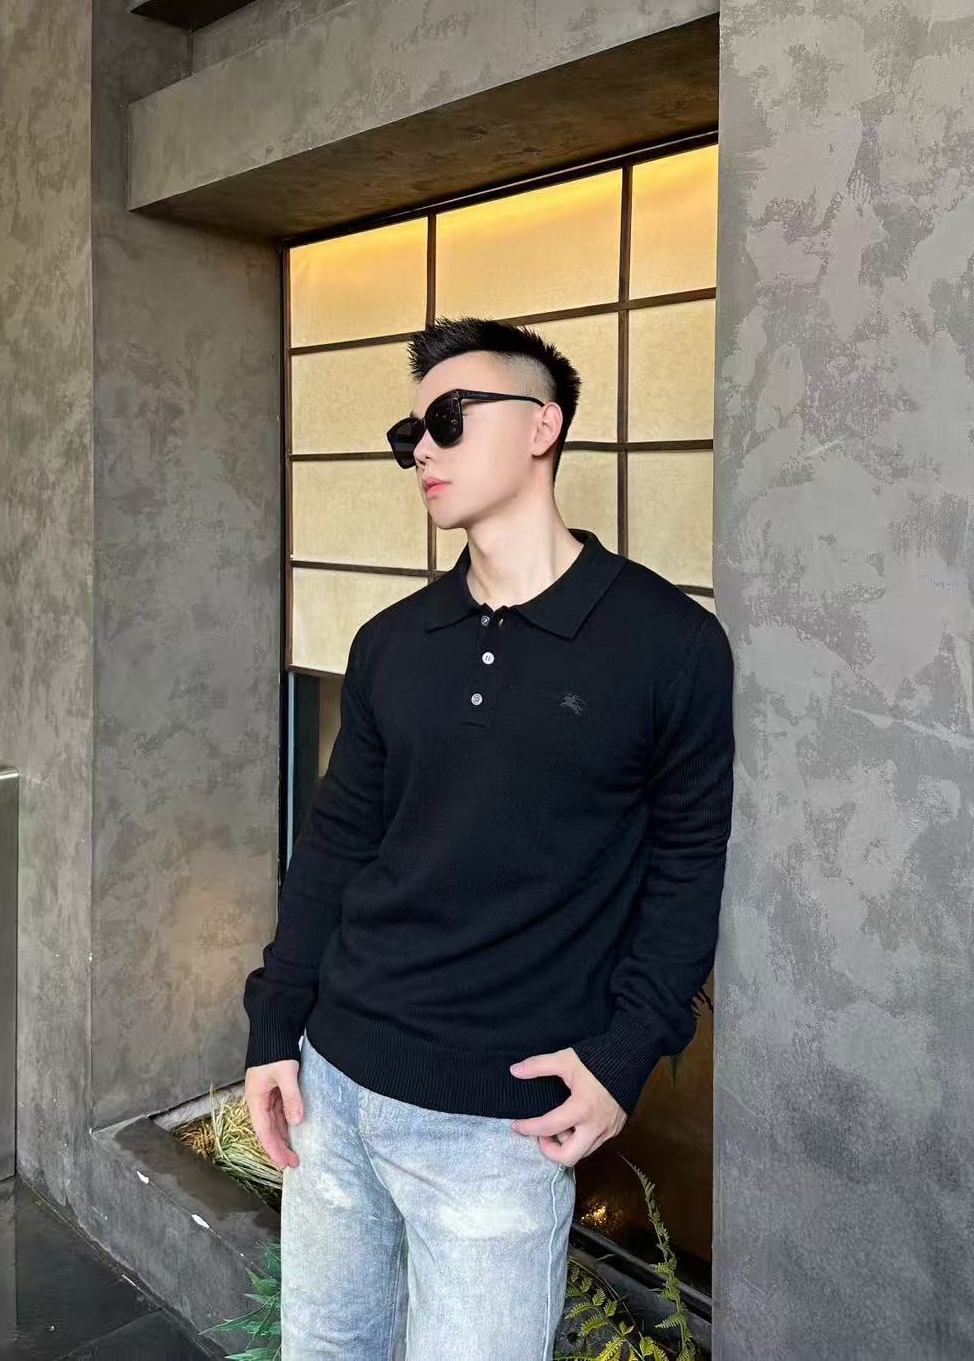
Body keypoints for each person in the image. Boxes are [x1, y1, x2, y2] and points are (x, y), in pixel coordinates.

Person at [242, 314, 736, 1360]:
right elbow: (335, 846)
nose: (421, 448)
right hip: (334, 1084)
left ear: (542, 426)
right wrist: (274, 1027)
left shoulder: (669, 645)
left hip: (499, 1125)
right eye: (409, 433)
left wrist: (624, 1054)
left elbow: (688, 869)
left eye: (450, 419)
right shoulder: (391, 642)